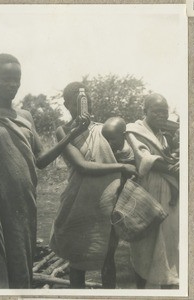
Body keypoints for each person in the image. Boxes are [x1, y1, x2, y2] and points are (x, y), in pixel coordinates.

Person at [0, 54, 87, 289]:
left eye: (17, 79)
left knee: (23, 256)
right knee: (0, 259)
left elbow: (40, 160)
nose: (13, 84)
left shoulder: (25, 117)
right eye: (6, 79)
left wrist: (71, 135)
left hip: (26, 200)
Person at [50, 82, 137, 289]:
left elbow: (126, 153)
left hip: (105, 202)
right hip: (78, 203)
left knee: (108, 258)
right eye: (76, 103)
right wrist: (122, 167)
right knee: (77, 261)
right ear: (66, 105)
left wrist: (125, 160)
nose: (83, 106)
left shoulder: (103, 130)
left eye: (86, 101)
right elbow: (81, 166)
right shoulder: (63, 132)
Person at [125, 93, 179, 289]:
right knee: (144, 245)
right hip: (147, 193)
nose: (161, 116)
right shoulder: (134, 131)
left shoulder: (163, 134)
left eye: (164, 112)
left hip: (168, 196)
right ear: (144, 111)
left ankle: (168, 287)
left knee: (168, 244)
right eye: (156, 112)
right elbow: (145, 159)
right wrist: (175, 169)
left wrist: (171, 144)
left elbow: (171, 155)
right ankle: (141, 290)